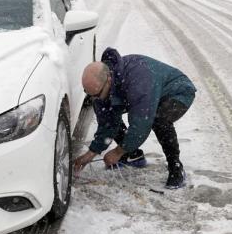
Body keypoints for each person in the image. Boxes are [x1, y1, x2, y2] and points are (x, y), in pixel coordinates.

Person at [73, 47, 196, 189]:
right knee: (110, 110)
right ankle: (133, 155)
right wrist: (92, 152)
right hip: (150, 93)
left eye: (96, 94)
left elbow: (141, 124)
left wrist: (118, 151)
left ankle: (176, 167)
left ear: (108, 79)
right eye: (90, 94)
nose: (94, 98)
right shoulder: (102, 86)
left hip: (177, 91)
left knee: (159, 120)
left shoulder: (138, 80)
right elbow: (107, 123)